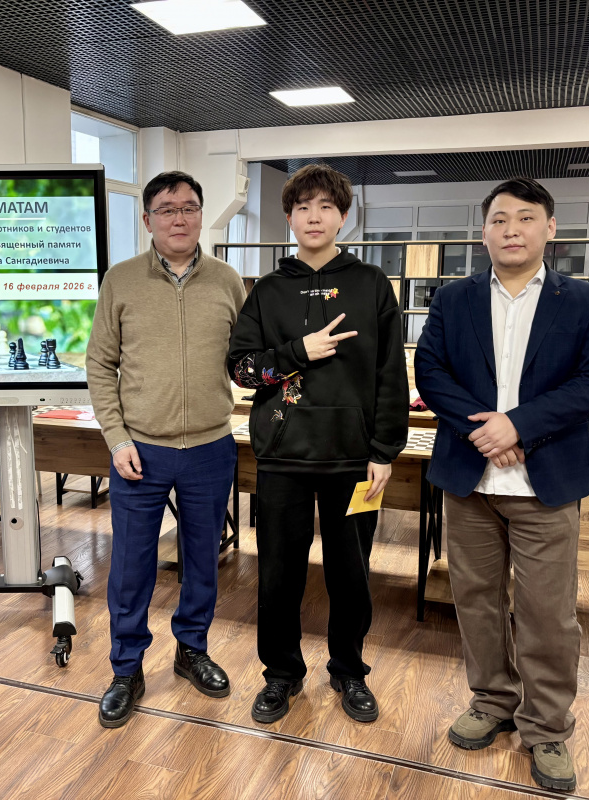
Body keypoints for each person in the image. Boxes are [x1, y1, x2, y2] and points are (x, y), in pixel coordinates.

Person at [414, 177, 589, 792]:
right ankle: (492, 700)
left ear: (550, 228)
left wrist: (519, 425)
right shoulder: (454, 298)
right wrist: (487, 431)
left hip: (545, 482)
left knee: (547, 613)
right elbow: (430, 371)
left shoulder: (584, 301)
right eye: (499, 219)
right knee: (474, 600)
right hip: (470, 478)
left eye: (525, 218)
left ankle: (547, 727)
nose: (511, 230)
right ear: (484, 232)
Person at [228, 164, 409, 725]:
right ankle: (280, 674)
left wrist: (384, 451)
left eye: (326, 206)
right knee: (278, 573)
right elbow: (242, 369)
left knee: (351, 573)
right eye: (303, 206)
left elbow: (390, 374)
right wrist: (297, 352)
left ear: (343, 216)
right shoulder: (267, 291)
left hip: (354, 459)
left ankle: (349, 670)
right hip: (282, 456)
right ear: (289, 216)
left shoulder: (371, 284)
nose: (314, 216)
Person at [86, 171, 247, 728]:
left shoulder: (228, 281)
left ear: (201, 214)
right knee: (132, 565)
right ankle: (126, 668)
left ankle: (191, 650)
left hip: (210, 446)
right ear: (147, 219)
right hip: (140, 451)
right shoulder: (122, 281)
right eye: (167, 209)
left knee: (203, 559)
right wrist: (117, 437)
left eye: (189, 207)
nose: (180, 218)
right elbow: (99, 365)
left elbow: (246, 359)